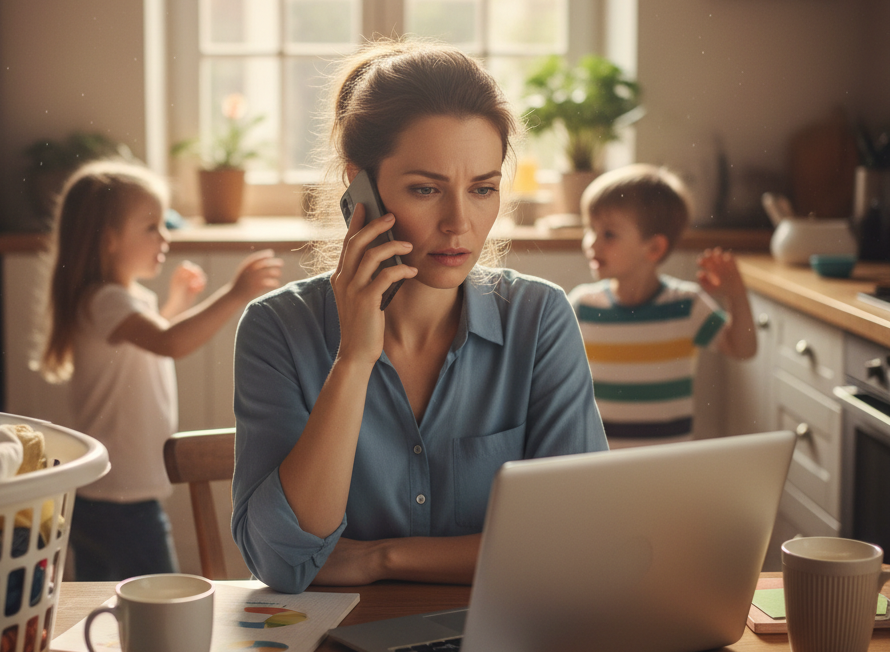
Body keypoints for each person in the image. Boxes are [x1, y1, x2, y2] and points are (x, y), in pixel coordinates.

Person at [231, 41, 608, 594]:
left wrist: (381, 558)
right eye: (426, 189)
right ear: (361, 189)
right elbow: (281, 562)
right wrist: (354, 360)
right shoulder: (277, 329)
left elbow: (575, 546)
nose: (460, 223)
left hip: (498, 648)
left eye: (482, 189)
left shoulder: (540, 318)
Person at [39, 160, 283, 581]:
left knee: (107, 602)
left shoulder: (119, 300)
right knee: (158, 599)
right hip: (121, 498)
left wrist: (175, 304)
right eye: (151, 226)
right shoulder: (108, 301)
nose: (164, 236)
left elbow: (150, 345)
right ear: (110, 239)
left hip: (106, 493)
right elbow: (169, 343)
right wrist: (234, 295)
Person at [568, 164, 757, 448]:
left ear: (654, 248)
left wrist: (736, 294)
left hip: (667, 470)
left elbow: (743, 349)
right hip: (598, 463)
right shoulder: (581, 306)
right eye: (590, 229)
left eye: (608, 234)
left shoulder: (686, 305)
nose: (591, 243)